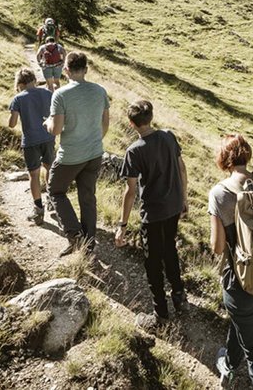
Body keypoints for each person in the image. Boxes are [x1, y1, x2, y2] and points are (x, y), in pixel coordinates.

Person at [208, 134, 253, 389]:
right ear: (246, 154)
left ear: (224, 160)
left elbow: (217, 249)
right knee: (244, 320)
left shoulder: (219, 193)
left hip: (242, 284)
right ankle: (228, 362)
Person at [113, 100, 189, 326]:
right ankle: (180, 297)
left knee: (153, 263)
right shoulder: (168, 136)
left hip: (153, 213)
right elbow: (182, 167)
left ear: (131, 124)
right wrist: (184, 199)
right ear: (151, 116)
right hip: (174, 206)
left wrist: (122, 225)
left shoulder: (134, 151)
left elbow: (130, 191)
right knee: (170, 250)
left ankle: (160, 316)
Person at [46, 52, 110, 256]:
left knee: (55, 190)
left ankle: (75, 236)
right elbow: (105, 123)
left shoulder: (61, 95)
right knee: (88, 197)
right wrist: (95, 141)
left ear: (65, 70)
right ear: (86, 69)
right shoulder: (100, 91)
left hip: (71, 155)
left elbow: (56, 130)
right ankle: (89, 243)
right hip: (94, 153)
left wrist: (47, 123)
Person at [7, 67, 54, 224]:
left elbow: (12, 124)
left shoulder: (18, 98)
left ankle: (38, 210)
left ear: (19, 83)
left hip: (30, 141)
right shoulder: (48, 93)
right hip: (48, 137)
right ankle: (52, 201)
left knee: (33, 175)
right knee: (49, 168)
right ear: (34, 80)